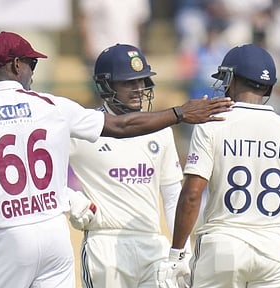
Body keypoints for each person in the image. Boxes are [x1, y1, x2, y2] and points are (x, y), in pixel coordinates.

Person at [0, 31, 233, 288]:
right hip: (56, 238)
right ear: (16, 65)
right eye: (32, 64)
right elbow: (121, 127)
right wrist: (178, 113)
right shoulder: (52, 107)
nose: (34, 72)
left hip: (6, 233)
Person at [157, 44, 280, 288]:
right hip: (276, 253)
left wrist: (177, 254)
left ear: (233, 79)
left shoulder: (213, 124)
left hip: (223, 246)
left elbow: (192, 195)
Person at [67, 43, 192, 288]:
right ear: (106, 85)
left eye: (142, 81)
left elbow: (172, 196)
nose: (138, 89)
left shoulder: (161, 131)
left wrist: (183, 251)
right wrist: (70, 198)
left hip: (152, 242)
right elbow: (42, 169)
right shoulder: (83, 129)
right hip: (105, 244)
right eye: (128, 83)